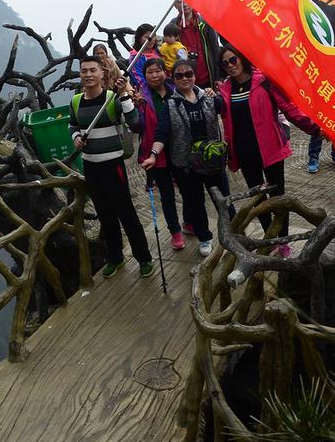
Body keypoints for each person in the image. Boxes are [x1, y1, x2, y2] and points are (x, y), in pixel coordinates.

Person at [217, 47, 317, 251]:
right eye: (225, 64)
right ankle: (269, 240)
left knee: (278, 199)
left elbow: (289, 108)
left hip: (271, 150)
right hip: (245, 153)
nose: (230, 66)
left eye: (233, 60)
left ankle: (283, 241)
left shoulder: (263, 81)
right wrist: (230, 155)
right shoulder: (225, 89)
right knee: (258, 200)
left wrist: (315, 129)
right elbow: (227, 125)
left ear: (242, 58)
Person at [68, 55, 153, 279]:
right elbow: (72, 125)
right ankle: (115, 257)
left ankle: (143, 257)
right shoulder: (76, 101)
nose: (88, 74)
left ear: (102, 74)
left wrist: (124, 93)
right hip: (90, 165)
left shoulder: (111, 99)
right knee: (104, 214)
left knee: (126, 212)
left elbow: (135, 123)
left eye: (92, 70)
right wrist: (76, 138)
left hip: (113, 165)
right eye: (84, 70)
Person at [148, 59, 229, 257]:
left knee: (223, 199)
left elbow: (227, 107)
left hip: (212, 159)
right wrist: (153, 155)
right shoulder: (171, 104)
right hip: (185, 164)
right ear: (173, 78)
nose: (185, 78)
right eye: (179, 75)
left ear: (194, 75)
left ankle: (233, 232)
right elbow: (162, 133)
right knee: (195, 202)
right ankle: (204, 237)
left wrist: (218, 93)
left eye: (188, 74)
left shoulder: (208, 97)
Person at [133, 57, 185, 249]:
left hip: (180, 149)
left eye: (158, 71)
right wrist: (136, 107)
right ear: (145, 76)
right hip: (156, 153)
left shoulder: (176, 91)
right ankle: (175, 232)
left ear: (165, 72)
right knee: (167, 194)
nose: (154, 75)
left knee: (188, 189)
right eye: (150, 72)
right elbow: (137, 126)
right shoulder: (142, 98)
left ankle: (189, 222)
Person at [174, 0, 221, 88]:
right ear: (175, 5)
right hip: (185, 79)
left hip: (208, 77)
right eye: (180, 2)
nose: (184, 4)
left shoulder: (204, 22)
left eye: (187, 0)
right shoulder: (173, 26)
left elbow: (215, 50)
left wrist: (218, 77)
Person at [127, 23, 159, 91]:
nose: (151, 39)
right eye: (147, 37)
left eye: (153, 36)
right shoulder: (135, 58)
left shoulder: (159, 52)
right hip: (148, 91)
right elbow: (139, 79)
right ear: (139, 38)